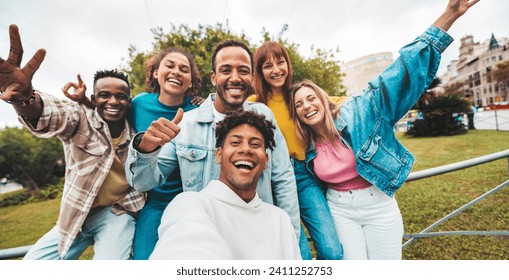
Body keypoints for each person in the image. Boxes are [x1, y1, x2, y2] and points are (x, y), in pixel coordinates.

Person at [288, 0, 479, 260]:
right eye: (299, 104)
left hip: (377, 203)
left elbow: (400, 73)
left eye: (311, 98)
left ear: (323, 99)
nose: (306, 106)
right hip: (339, 209)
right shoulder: (305, 143)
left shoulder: (358, 111)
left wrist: (449, 16)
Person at [125, 40, 302, 247]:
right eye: (226, 70)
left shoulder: (264, 116)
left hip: (258, 235)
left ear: (252, 78)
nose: (235, 78)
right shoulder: (187, 125)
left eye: (243, 70)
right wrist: (146, 150)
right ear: (214, 77)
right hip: (206, 236)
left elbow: (283, 179)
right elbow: (143, 183)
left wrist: (290, 237)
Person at [0, 25, 145, 259]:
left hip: (118, 212)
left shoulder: (137, 131)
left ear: (129, 101)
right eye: (105, 95)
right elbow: (51, 114)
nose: (113, 101)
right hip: (77, 212)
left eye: (121, 96)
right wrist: (25, 98)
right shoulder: (79, 117)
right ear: (94, 99)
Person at [63, 48, 203, 259]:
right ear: (156, 73)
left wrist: (205, 103)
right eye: (170, 65)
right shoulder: (139, 103)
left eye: (184, 69)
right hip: (153, 199)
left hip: (190, 197)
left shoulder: (197, 110)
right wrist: (85, 101)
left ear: (191, 82)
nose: (176, 72)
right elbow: (111, 111)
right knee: (143, 259)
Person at [150, 110, 301, 260]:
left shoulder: (280, 219)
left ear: (266, 160)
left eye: (255, 144)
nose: (246, 149)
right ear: (219, 155)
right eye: (235, 142)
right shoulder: (191, 204)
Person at [248, 41, 342, 260]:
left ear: (288, 65)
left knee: (332, 251)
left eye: (280, 62)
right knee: (297, 255)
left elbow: (331, 101)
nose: (276, 70)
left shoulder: (298, 96)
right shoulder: (253, 103)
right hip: (271, 180)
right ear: (260, 72)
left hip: (304, 175)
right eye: (268, 66)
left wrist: (348, 101)